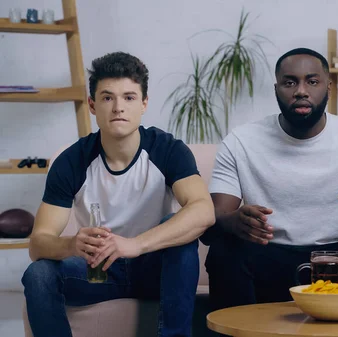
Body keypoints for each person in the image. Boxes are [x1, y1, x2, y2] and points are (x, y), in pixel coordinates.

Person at [202, 47, 338, 311]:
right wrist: (234, 221)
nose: (301, 91)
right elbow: (211, 227)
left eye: (312, 81)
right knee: (224, 250)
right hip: (270, 256)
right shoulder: (241, 141)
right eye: (290, 82)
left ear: (328, 87)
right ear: (276, 88)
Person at [21, 51, 215, 337]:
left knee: (180, 234)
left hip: (154, 267)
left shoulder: (168, 150)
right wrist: (72, 244)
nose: (118, 108)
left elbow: (203, 210)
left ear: (144, 103)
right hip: (97, 271)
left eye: (129, 97)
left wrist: (134, 245)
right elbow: (38, 244)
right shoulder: (72, 160)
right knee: (38, 275)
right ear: (92, 104)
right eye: (108, 97)